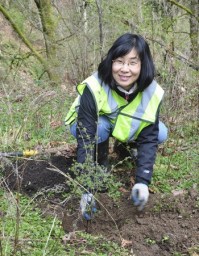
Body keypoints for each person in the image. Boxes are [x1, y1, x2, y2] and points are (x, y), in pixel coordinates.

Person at [65, 33, 168, 219]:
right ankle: (101, 161)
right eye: (119, 61)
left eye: (132, 63)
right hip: (91, 128)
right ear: (111, 62)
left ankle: (126, 150)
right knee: (100, 129)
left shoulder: (152, 92)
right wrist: (85, 188)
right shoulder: (94, 86)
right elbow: (86, 135)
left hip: (121, 126)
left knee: (161, 132)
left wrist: (143, 181)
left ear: (143, 65)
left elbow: (149, 137)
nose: (125, 69)